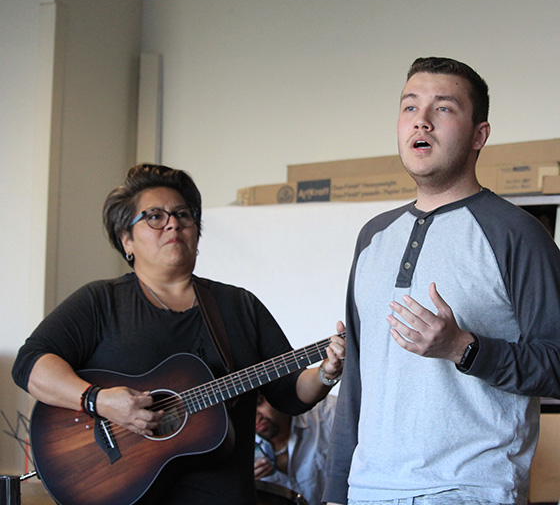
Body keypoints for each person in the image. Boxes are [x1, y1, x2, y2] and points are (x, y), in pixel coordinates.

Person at [11, 163, 346, 505]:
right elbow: (30, 364)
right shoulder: (102, 301)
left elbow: (288, 393)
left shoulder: (239, 305)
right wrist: (100, 400)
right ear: (127, 240)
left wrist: (326, 372)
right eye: (155, 216)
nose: (173, 223)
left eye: (183, 215)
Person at [323, 57, 560, 505]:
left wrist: (464, 349)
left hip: (469, 490)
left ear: (479, 135)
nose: (422, 121)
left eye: (444, 108)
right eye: (410, 107)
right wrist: (337, 491)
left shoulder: (518, 234)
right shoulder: (373, 237)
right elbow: (356, 378)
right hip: (368, 489)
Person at [254, 393, 337, 505]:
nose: (255, 417)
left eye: (258, 403)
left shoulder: (328, 411)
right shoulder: (238, 452)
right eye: (244, 413)